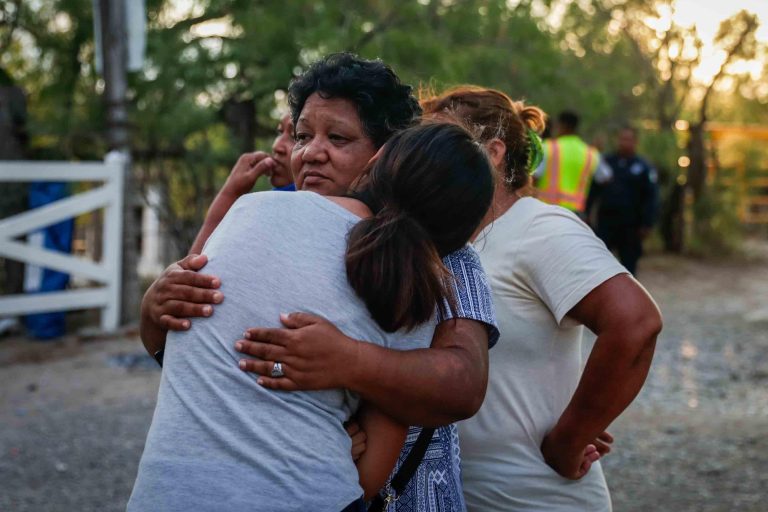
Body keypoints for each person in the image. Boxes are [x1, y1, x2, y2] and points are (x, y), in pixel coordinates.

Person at [139, 53, 499, 512]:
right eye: (302, 135)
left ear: (386, 154)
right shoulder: (262, 222)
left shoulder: (437, 257)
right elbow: (199, 363)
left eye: (340, 138)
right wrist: (153, 312)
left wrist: (348, 363)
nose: (310, 153)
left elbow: (463, 385)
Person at [420, 86, 662, 511]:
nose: (425, 155)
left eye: (441, 141)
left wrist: (571, 437)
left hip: (536, 498)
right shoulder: (441, 238)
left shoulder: (541, 228)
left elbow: (635, 324)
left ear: (493, 152)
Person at [585, 126, 659, 274]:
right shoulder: (605, 162)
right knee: (600, 264)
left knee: (629, 267)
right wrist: (587, 213)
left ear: (635, 142)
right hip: (607, 223)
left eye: (628, 139)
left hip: (631, 226)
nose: (624, 143)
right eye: (622, 139)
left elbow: (651, 197)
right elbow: (592, 190)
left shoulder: (644, 167)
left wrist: (648, 223)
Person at [534, 110, 610, 214]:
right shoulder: (590, 153)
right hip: (575, 215)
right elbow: (606, 177)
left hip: (546, 211)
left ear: (563, 126)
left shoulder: (549, 147)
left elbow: (534, 178)